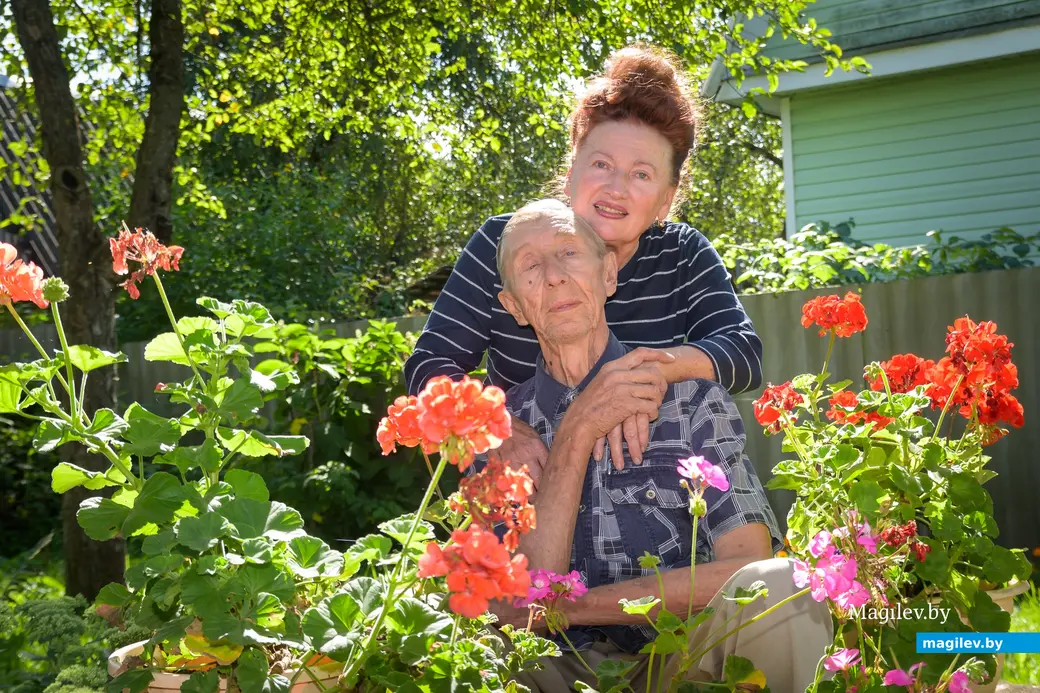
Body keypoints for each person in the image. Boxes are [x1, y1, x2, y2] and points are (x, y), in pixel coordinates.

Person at [487, 199, 832, 693]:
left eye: (568, 253)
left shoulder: (691, 400)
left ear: (608, 273)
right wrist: (576, 431)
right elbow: (514, 609)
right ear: (514, 305)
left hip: (680, 661)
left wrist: (575, 606)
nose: (554, 276)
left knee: (785, 586)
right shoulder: (502, 435)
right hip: (553, 674)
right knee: (468, 644)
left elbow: (748, 569)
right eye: (530, 266)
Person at [404, 45, 763, 485]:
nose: (616, 188)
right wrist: (493, 428)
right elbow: (427, 367)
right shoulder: (503, 246)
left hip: (651, 496)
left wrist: (639, 372)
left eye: (641, 174)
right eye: (601, 164)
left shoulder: (683, 254)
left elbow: (744, 355)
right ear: (571, 169)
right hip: (534, 488)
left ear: (666, 199)